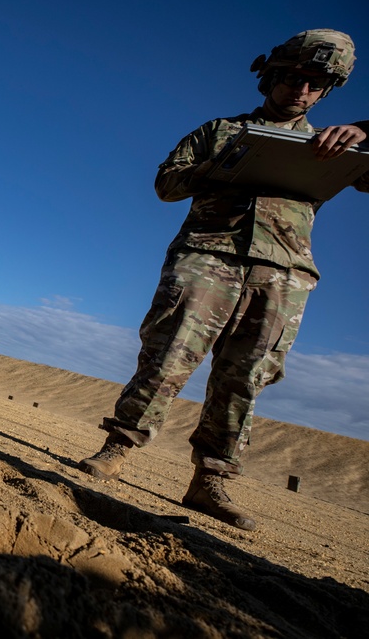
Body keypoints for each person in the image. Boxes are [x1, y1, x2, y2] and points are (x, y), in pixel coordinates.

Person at [77, 29, 368, 531]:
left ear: (325, 92)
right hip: (207, 257)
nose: (303, 91)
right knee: (168, 355)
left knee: (245, 378)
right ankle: (116, 450)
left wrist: (366, 129)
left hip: (283, 272)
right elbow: (167, 184)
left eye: (316, 84)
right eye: (295, 78)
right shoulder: (220, 129)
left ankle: (209, 484)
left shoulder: (333, 146)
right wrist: (226, 164)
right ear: (272, 77)